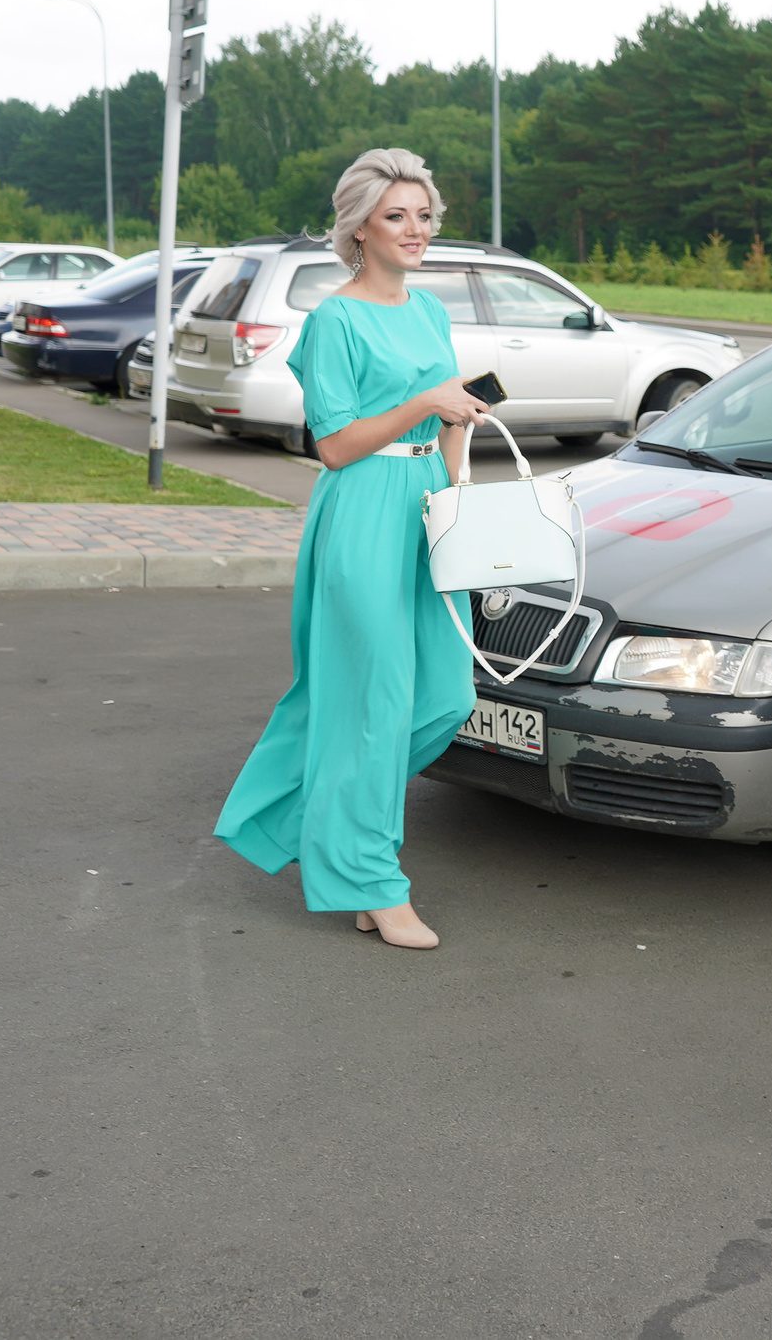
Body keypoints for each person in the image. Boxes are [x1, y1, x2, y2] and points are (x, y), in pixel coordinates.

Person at [212, 149, 492, 950]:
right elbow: (334, 446)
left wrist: (452, 444)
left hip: (425, 505)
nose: (416, 228)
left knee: (444, 695)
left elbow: (435, 423)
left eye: (425, 214)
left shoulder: (430, 311)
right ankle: (371, 878)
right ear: (360, 227)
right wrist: (422, 401)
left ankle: (334, 831)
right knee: (372, 702)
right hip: (363, 508)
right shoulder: (333, 320)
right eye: (397, 214)